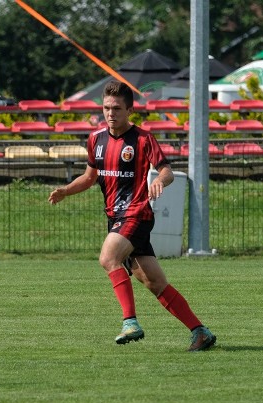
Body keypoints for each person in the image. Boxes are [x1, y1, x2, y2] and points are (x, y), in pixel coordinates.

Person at [47, 81, 216, 351]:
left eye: (116, 108)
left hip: (137, 213)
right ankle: (200, 331)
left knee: (108, 258)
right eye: (106, 108)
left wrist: (160, 180)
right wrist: (66, 190)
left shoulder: (142, 139)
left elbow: (167, 171)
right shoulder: (96, 139)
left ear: (129, 110)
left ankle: (130, 322)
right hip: (116, 217)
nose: (110, 113)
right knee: (154, 282)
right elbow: (90, 177)